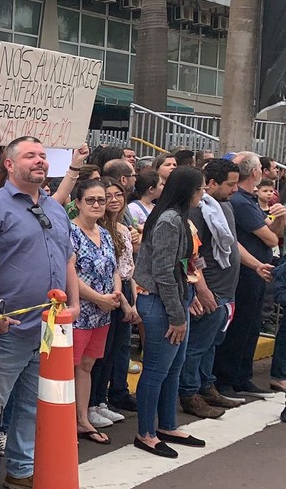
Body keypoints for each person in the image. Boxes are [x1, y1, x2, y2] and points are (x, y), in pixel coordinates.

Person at [0, 136, 80, 489]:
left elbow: (68, 258)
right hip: (7, 328)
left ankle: (21, 467)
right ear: (9, 165)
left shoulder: (55, 207)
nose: (40, 162)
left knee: (32, 403)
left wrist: (74, 304)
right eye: (30, 156)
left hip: (48, 329)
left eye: (43, 156)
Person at [132, 166, 207, 458]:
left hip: (177, 298)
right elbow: (163, 272)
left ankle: (167, 425)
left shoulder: (179, 217)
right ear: (188, 191)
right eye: (200, 189)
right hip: (161, 302)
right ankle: (145, 433)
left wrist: (189, 296)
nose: (203, 194)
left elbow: (185, 264)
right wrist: (177, 315)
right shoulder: (168, 221)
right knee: (156, 369)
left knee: (173, 367)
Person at [180, 159, 254, 418]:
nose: (235, 189)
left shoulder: (221, 207)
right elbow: (193, 254)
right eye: (230, 184)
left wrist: (256, 265)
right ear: (211, 184)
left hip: (225, 291)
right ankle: (190, 393)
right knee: (198, 345)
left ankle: (205, 385)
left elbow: (232, 246)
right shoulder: (197, 212)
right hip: (210, 291)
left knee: (211, 343)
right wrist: (201, 288)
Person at [214, 152, 283, 400]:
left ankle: (242, 376)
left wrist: (277, 220)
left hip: (257, 269)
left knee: (252, 325)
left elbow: (271, 232)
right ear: (255, 172)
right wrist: (278, 220)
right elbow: (271, 237)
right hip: (245, 273)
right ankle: (228, 378)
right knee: (240, 326)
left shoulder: (249, 200)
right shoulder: (241, 203)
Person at [70, 180, 122, 444]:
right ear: (78, 202)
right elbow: (71, 275)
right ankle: (67, 422)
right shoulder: (71, 233)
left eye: (101, 200)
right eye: (90, 200)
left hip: (102, 313)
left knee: (88, 366)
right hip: (80, 312)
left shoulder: (104, 232)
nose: (97, 205)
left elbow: (114, 269)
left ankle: (82, 418)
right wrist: (98, 298)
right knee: (71, 366)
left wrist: (114, 295)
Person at [93, 178, 141, 415]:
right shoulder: (100, 230)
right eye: (107, 196)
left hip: (125, 289)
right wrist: (123, 301)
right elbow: (111, 269)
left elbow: (128, 268)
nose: (114, 200)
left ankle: (104, 399)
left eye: (118, 195)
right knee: (102, 352)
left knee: (117, 349)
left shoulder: (123, 228)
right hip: (110, 293)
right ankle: (95, 401)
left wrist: (133, 298)